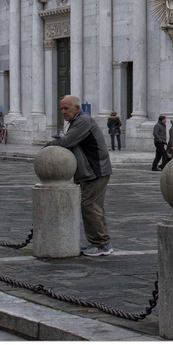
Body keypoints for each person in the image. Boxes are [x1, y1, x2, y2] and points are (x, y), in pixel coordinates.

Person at [50, 95, 115, 256]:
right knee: (92, 207)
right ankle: (101, 242)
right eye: (62, 109)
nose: (63, 112)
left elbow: (68, 141)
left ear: (77, 108)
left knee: (91, 207)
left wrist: (49, 146)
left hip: (95, 170)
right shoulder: (76, 122)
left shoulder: (83, 121)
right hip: (91, 171)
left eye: (66, 108)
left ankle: (101, 244)